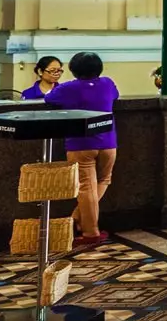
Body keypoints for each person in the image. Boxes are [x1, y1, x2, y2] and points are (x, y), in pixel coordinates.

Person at [44, 52, 117, 248]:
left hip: (80, 143)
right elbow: (115, 96)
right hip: (109, 142)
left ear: (73, 70)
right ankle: (77, 218)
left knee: (86, 187)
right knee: (103, 181)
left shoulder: (68, 88)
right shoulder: (108, 83)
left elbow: (48, 98)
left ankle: (90, 232)